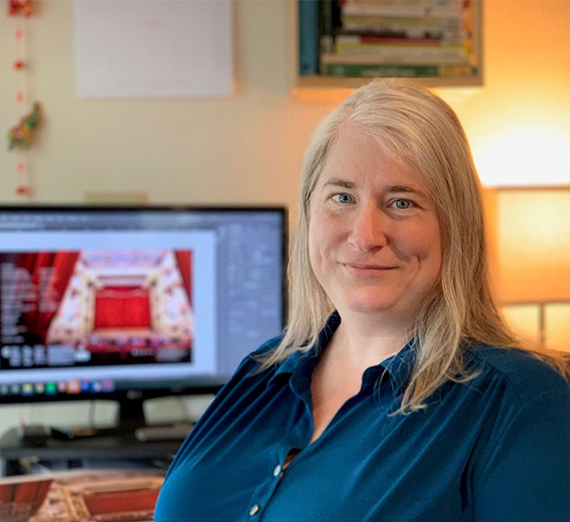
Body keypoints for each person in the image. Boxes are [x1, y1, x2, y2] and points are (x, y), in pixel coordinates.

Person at [154, 79, 570, 522]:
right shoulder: (265, 369)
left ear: (456, 224)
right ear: (309, 211)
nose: (365, 235)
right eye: (342, 197)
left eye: (403, 203)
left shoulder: (522, 400)